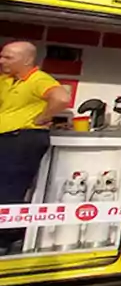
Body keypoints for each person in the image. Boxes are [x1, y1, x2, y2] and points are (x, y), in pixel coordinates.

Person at [1, 41, 71, 252]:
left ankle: (7, 239)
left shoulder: (38, 79)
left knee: (9, 191)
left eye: (8, 57)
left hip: (23, 139)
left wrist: (44, 117)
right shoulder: (8, 80)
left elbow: (61, 98)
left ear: (27, 60)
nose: (2, 60)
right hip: (7, 138)